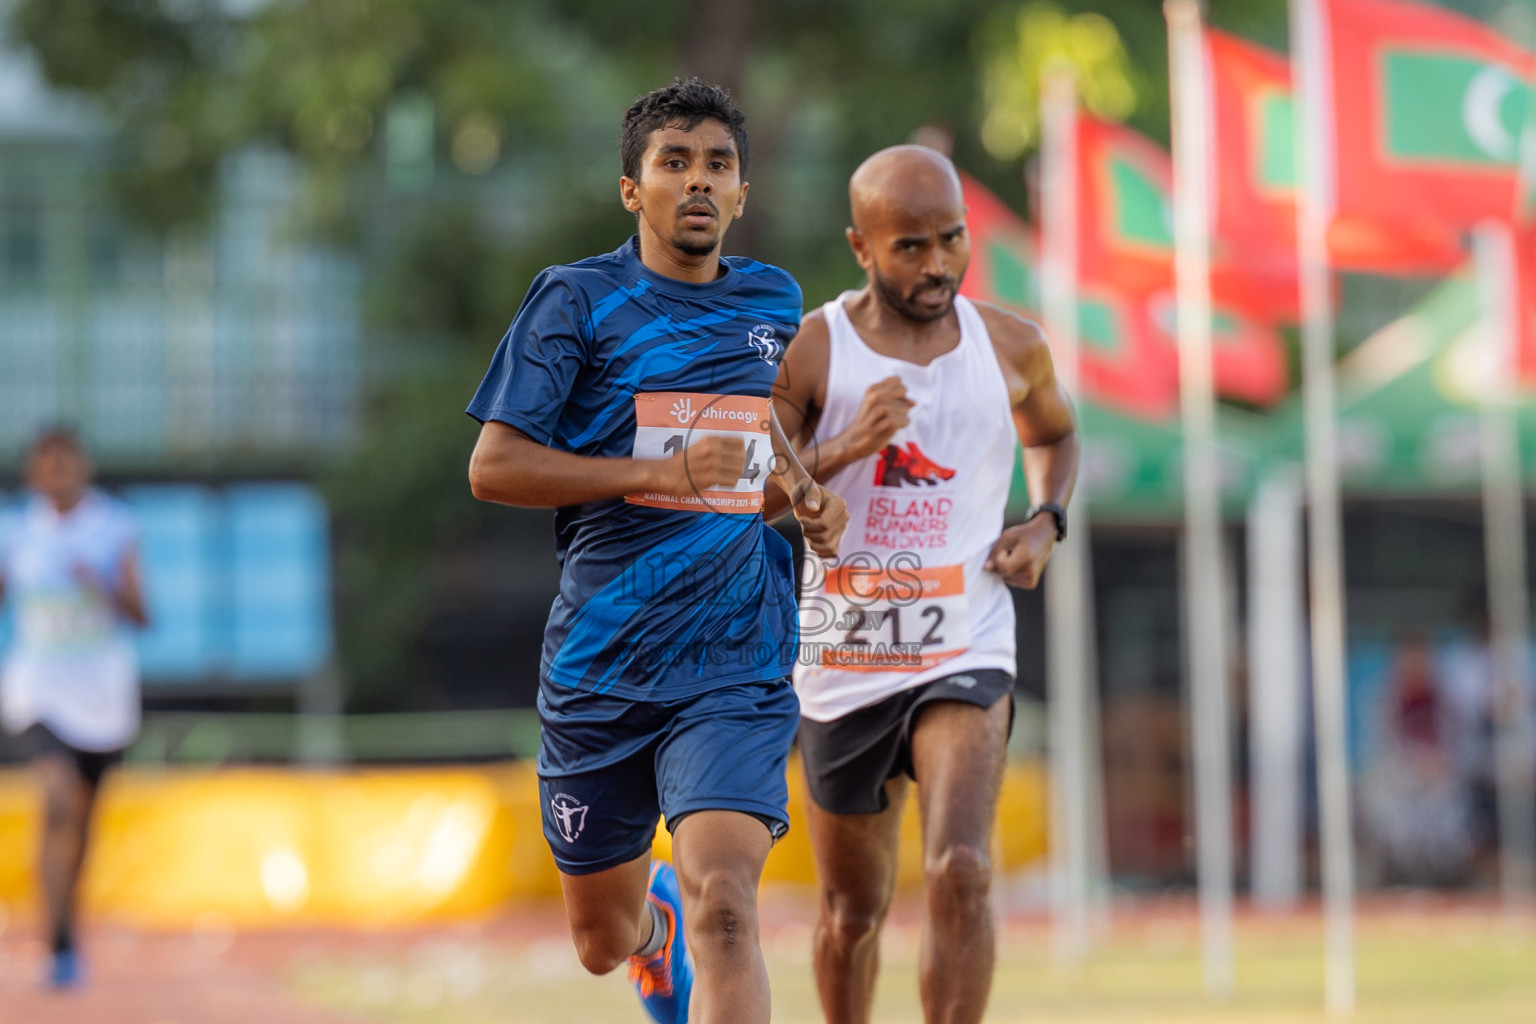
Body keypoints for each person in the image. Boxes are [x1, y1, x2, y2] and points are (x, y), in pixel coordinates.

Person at [465, 78, 848, 1024]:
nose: (699, 182)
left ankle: (691, 923)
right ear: (633, 189)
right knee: (601, 941)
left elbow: (756, 430)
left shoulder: (772, 298)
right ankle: (651, 936)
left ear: (743, 192)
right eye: (673, 163)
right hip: (603, 659)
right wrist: (659, 478)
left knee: (729, 902)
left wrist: (801, 491)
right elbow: (494, 465)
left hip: (734, 658)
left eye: (718, 164)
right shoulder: (576, 301)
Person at [770, 145, 1078, 1024]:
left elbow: (1055, 435)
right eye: (911, 246)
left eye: (952, 239)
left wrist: (1045, 520)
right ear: (860, 246)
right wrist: (844, 447)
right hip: (846, 658)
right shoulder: (815, 350)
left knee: (961, 870)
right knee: (851, 914)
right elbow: (750, 495)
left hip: (965, 640)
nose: (938, 264)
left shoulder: (1012, 344)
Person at [0, 428, 149, 989]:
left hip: (102, 694)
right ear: (34, 473)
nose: (58, 474)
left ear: (83, 468)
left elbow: (143, 615)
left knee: (81, 821)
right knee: (57, 797)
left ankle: (67, 928)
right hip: (38, 688)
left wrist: (104, 585)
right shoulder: (15, 531)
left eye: (68, 464)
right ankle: (55, 937)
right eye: (48, 464)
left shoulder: (114, 528)